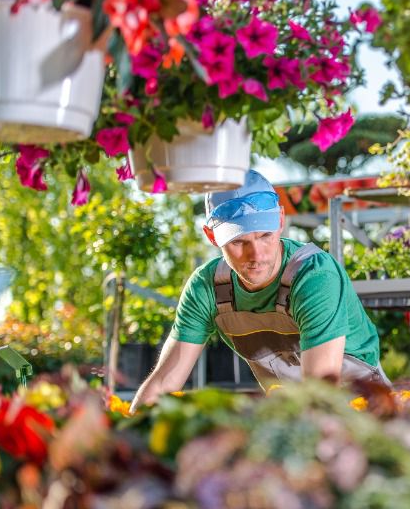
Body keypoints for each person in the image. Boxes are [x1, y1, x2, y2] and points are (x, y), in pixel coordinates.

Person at [129, 170, 388, 413]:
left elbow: (320, 394)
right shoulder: (207, 288)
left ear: (281, 220)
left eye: (265, 235)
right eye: (239, 241)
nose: (258, 255)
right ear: (211, 236)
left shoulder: (314, 276)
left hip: (363, 411)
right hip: (289, 417)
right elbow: (163, 384)